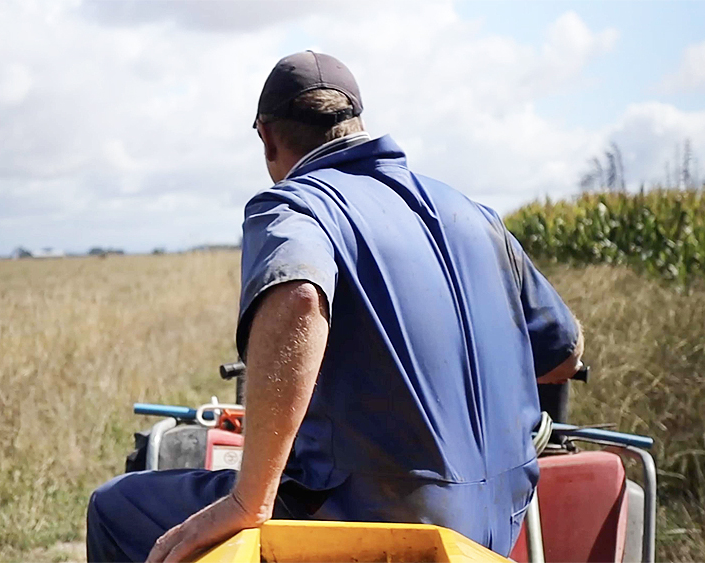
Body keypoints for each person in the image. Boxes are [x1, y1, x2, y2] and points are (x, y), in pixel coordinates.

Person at [86, 51, 584, 563]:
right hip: (498, 526)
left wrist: (247, 500)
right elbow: (564, 356)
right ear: (358, 123)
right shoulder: (477, 217)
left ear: (267, 137)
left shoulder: (297, 205)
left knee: (116, 507)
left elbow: (300, 295)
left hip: (374, 523)